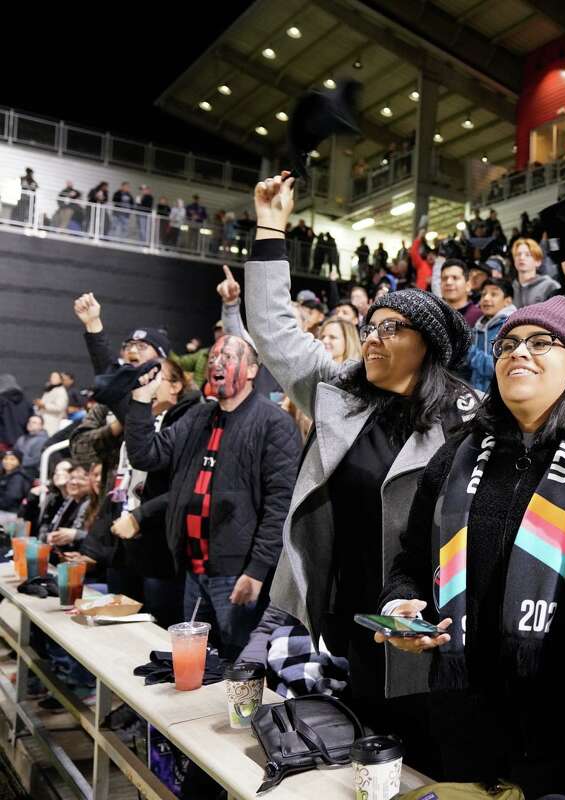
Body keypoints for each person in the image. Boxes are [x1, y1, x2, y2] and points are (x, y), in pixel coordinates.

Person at [244, 172, 478, 753]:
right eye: (370, 326)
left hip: (424, 634)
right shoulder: (340, 395)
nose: (371, 337)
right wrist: (271, 226)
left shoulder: (467, 422)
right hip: (347, 621)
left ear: (428, 346)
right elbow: (272, 331)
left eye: (390, 328)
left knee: (418, 759)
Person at [378, 296, 565, 796]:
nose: (519, 353)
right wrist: (400, 606)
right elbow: (410, 560)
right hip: (463, 711)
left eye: (542, 342)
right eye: (508, 344)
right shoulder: (455, 453)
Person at [124, 333, 300, 659]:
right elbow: (146, 455)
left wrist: (257, 570)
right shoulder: (197, 416)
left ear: (250, 370)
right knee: (198, 661)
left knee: (239, 665)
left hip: (238, 575)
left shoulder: (274, 423)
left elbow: (281, 505)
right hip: (194, 570)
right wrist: (139, 401)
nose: (217, 363)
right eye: (214, 357)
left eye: (228, 357)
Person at [107, 358, 200, 628]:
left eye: (156, 377)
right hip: (129, 541)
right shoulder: (143, 417)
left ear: (176, 385)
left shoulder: (190, 419)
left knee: (158, 632)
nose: (148, 382)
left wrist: (140, 515)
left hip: (162, 548)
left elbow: (186, 488)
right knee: (121, 633)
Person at [465, 278, 517, 392]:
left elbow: (498, 367)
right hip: (477, 396)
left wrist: (468, 350)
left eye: (494, 294)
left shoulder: (511, 327)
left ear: (507, 301)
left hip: (500, 396)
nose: (486, 298)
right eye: (483, 294)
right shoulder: (477, 327)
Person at [511, 238, 559, 307]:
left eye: (527, 255)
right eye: (518, 254)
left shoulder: (550, 286)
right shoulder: (511, 289)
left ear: (538, 262)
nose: (521, 258)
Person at [439, 259, 482, 326]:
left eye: (455, 278)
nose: (448, 282)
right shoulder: (434, 314)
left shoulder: (478, 317)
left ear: (468, 286)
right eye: (444, 278)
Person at [15, 415, 47, 480]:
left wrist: (15, 464)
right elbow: (14, 453)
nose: (30, 424)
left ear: (41, 426)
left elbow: (35, 460)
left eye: (34, 422)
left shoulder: (42, 440)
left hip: (30, 472)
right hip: (17, 468)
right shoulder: (22, 438)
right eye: (29, 421)